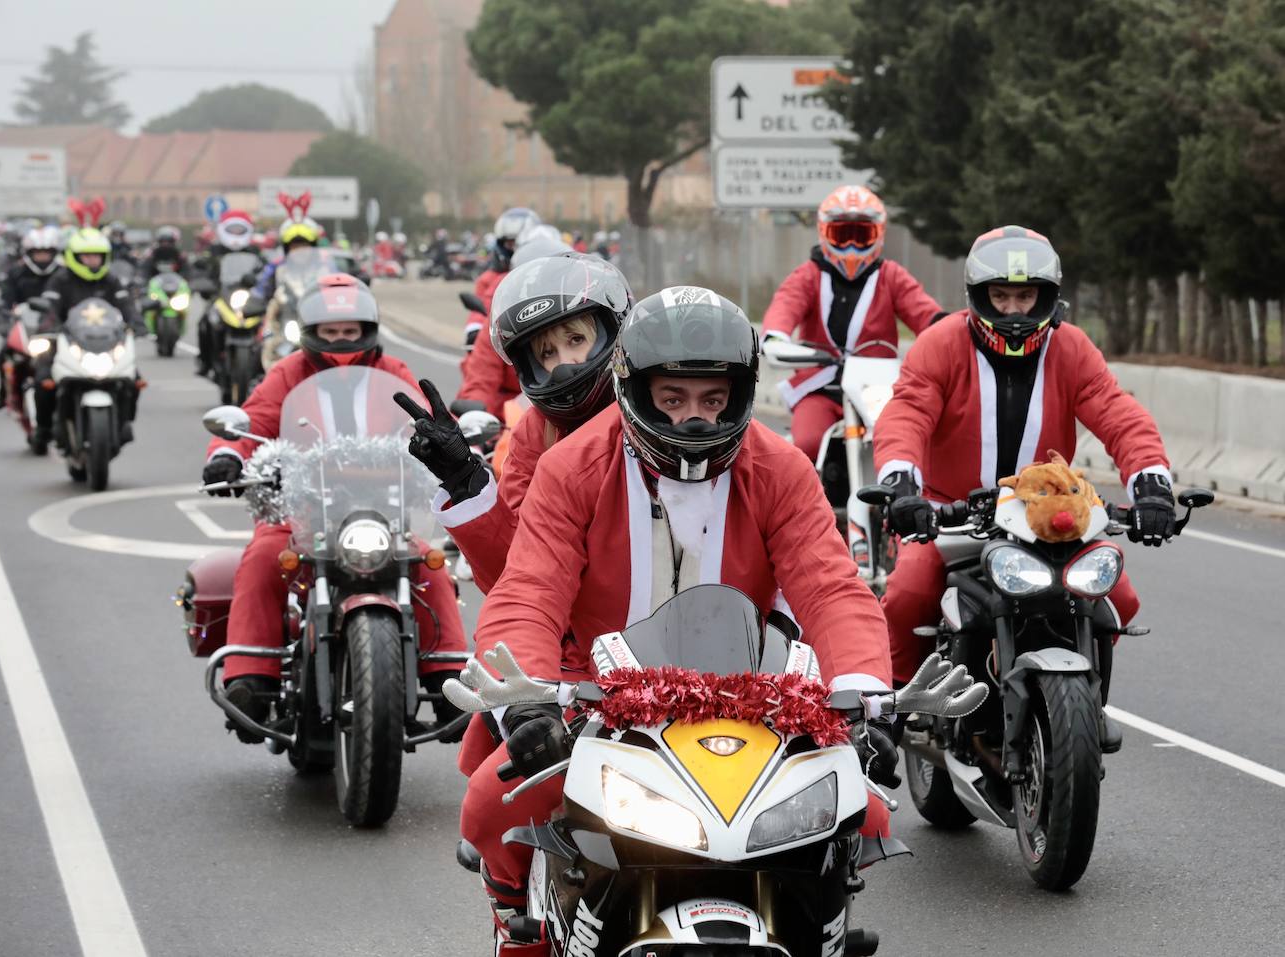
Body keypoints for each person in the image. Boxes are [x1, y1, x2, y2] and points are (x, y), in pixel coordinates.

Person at [453, 287, 896, 955]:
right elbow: (529, 592)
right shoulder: (571, 466)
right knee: (492, 802)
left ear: (743, 393)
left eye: (713, 399)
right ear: (634, 388)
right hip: (595, 692)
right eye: (674, 398)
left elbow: (832, 588)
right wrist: (527, 709)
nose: (695, 418)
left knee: (867, 816)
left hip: (752, 693)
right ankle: (516, 921)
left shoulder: (782, 467)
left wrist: (865, 695)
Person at [873, 226, 1174, 750]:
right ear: (977, 297)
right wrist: (902, 485)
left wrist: (1152, 483)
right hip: (954, 514)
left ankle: (1089, 704)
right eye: (1001, 296)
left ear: (1048, 297)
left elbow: (1118, 414)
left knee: (1119, 595)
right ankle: (896, 710)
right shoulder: (941, 342)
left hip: (1052, 518)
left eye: (1025, 296)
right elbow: (908, 412)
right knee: (906, 594)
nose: (1013, 310)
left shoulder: (1073, 347)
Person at [201, 274, 468, 738]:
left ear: (368, 328)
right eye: (329, 332)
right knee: (265, 557)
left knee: (429, 563)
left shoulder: (395, 372)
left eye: (349, 331)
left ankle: (446, 678)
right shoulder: (288, 372)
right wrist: (226, 455)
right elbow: (257, 418)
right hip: (306, 506)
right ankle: (249, 677)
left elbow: (428, 418)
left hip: (383, 506)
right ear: (310, 332)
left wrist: (457, 449)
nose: (340, 340)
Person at [394, 253, 633, 771]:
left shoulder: (659, 408)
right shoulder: (534, 430)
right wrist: (466, 482)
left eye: (576, 340)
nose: (563, 363)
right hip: (572, 652)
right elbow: (518, 572)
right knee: (488, 801)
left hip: (681, 642)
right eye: (546, 352)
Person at [762, 185, 945, 464]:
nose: (850, 246)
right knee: (807, 442)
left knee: (897, 439)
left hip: (878, 388)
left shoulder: (891, 276)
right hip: (819, 386)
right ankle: (804, 501)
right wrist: (775, 337)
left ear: (879, 233)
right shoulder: (808, 275)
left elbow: (924, 312)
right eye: (841, 234)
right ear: (824, 233)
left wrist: (947, 330)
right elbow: (785, 305)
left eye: (861, 236)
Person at [35, 228, 145, 454]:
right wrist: (48, 325)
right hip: (66, 341)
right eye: (87, 256)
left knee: (134, 380)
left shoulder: (111, 280)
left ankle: (124, 422)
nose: (93, 261)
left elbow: (126, 306)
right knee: (43, 380)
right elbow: (50, 309)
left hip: (106, 342)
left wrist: (137, 322)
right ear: (74, 257)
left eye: (97, 256)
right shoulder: (60, 280)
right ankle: (44, 428)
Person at [452, 226, 570, 418]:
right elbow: (481, 378)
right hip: (511, 421)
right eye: (534, 277)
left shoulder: (584, 319)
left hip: (577, 420)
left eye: (551, 276)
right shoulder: (501, 326)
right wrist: (474, 416)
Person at [0, 226, 60, 409]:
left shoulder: (63, 274)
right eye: (38, 253)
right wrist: (5, 323)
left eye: (47, 253)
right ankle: (3, 392)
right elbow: (4, 303)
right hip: (24, 326)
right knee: (2, 353)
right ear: (29, 253)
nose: (43, 257)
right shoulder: (16, 273)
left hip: (56, 327)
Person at [191, 210, 258, 378]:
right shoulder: (214, 251)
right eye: (232, 230)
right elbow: (202, 270)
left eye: (239, 230)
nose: (235, 234)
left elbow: (265, 273)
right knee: (204, 323)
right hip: (221, 296)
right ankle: (205, 362)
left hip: (248, 298)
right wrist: (204, 284)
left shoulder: (254, 252)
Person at [462, 207, 540, 350]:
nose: (516, 249)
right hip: (507, 345)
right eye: (511, 243)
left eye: (521, 243)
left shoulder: (545, 274)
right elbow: (483, 309)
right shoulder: (489, 280)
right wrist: (475, 330)